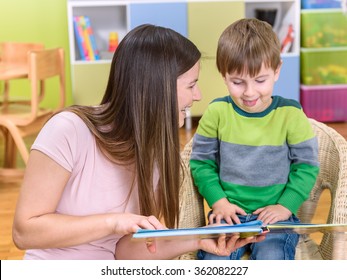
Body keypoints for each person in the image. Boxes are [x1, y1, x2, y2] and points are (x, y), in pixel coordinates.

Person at [12, 24, 263, 260]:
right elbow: (25, 231)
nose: (198, 96)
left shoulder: (153, 154)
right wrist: (113, 221)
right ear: (157, 87)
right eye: (191, 85)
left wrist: (199, 238)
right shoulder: (69, 130)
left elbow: (123, 252)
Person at [190, 18, 320, 260]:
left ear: (277, 70)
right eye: (237, 82)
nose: (249, 92)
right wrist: (218, 201)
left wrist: (284, 206)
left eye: (260, 80)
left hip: (275, 218)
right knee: (213, 263)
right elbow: (201, 163)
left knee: (272, 259)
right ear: (223, 75)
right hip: (228, 217)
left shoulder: (291, 114)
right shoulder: (216, 112)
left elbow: (307, 166)